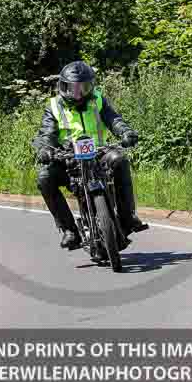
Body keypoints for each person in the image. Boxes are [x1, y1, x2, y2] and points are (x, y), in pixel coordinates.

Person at [32, 61, 149, 250]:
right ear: (63, 87)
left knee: (119, 160)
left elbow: (114, 120)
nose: (80, 93)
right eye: (75, 88)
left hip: (98, 153)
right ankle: (69, 230)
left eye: (85, 87)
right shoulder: (54, 106)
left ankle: (128, 217)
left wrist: (126, 132)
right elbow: (47, 133)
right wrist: (45, 149)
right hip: (68, 158)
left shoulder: (98, 100)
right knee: (44, 177)